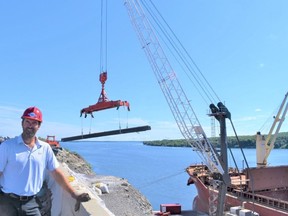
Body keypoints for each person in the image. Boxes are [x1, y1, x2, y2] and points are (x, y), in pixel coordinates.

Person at [0, 106, 90, 216]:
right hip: (7, 202)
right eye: (27, 121)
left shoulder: (45, 148)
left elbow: (56, 173)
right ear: (22, 123)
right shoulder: (7, 146)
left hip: (31, 202)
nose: (30, 125)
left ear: (39, 126)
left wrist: (74, 194)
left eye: (34, 123)